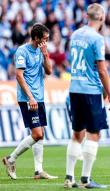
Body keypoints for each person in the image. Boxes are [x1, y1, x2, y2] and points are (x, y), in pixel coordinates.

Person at [64, 3, 110, 189]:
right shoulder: (97, 38)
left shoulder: (75, 34)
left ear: (87, 16)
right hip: (91, 90)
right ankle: (85, 179)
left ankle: (69, 178)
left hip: (74, 88)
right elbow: (102, 70)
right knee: (94, 134)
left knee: (77, 134)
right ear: (101, 17)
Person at [2, 23, 58, 180]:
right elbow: (19, 76)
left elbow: (49, 71)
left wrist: (45, 54)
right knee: (37, 133)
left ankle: (38, 171)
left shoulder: (41, 51)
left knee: (41, 134)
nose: (47, 42)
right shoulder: (22, 51)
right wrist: (30, 97)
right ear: (36, 38)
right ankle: (11, 159)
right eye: (45, 39)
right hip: (28, 98)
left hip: (39, 97)